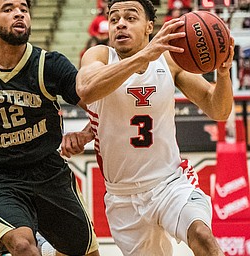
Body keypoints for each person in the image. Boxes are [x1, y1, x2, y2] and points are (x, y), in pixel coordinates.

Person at [73, 0, 235, 255]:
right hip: (123, 196)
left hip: (169, 182)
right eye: (114, 19)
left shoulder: (169, 61)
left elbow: (219, 110)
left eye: (130, 17)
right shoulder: (100, 56)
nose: (121, 24)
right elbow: (85, 89)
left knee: (202, 236)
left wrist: (224, 75)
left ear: (150, 26)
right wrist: (143, 56)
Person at [0, 0, 100, 256]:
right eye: (8, 8)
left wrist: (85, 134)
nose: (19, 13)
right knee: (23, 246)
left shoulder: (50, 65)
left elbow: (98, 103)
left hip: (49, 173)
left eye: (23, 9)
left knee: (85, 253)